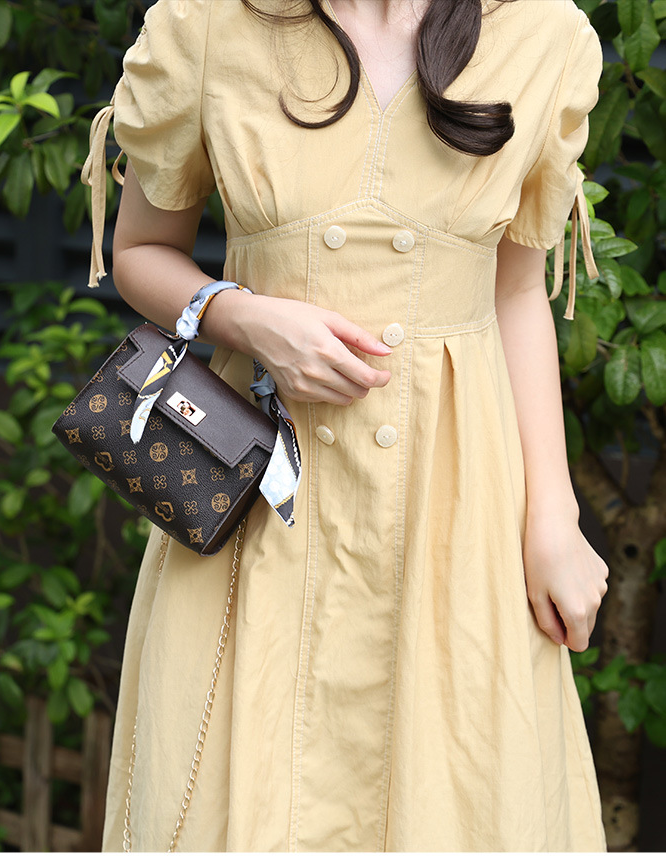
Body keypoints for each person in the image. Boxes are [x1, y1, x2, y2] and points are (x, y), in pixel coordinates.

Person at [82, 0, 609, 852]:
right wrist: (245, 316)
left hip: (458, 507)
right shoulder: (207, 24)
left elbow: (517, 293)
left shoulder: (540, 33)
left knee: (462, 798)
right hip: (259, 500)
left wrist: (554, 516)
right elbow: (139, 251)